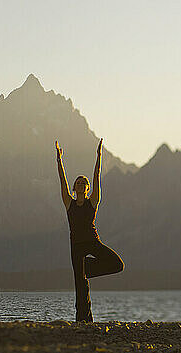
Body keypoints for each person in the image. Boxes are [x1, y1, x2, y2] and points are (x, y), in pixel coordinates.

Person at [55, 138, 124, 322]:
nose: (80, 184)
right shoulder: (69, 203)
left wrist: (99, 156)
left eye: (83, 183)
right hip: (76, 247)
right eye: (77, 183)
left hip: (93, 242)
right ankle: (84, 320)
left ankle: (87, 268)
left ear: (87, 189)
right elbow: (62, 181)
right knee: (81, 286)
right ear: (74, 187)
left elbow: (97, 176)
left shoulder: (93, 202)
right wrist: (59, 161)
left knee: (117, 264)